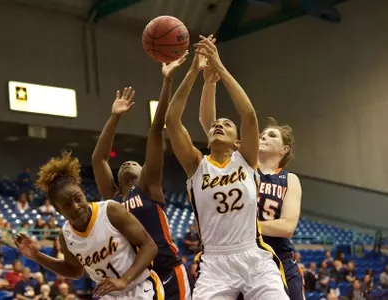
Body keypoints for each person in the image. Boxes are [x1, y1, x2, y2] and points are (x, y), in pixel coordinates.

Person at [164, 34, 289, 299]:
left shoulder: (245, 158)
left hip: (253, 256)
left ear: (238, 142)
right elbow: (172, 121)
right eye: (215, 125)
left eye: (227, 125)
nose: (219, 125)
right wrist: (194, 71)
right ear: (208, 139)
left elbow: (249, 115)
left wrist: (219, 66)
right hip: (214, 263)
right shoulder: (197, 165)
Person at [198, 47, 304, 300]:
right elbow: (208, 123)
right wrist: (210, 84)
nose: (264, 137)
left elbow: (287, 226)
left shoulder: (289, 179)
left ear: (284, 149)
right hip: (241, 255)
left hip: (278, 255)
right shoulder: (242, 164)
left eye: (272, 136)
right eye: (263, 134)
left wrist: (242, 225)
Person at [92, 55, 192, 300]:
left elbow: (156, 131)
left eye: (135, 162)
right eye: (124, 163)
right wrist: (114, 117)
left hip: (167, 272)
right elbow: (99, 159)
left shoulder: (148, 187)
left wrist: (167, 81)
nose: (127, 162)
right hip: (136, 282)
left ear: (143, 172)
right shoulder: (113, 200)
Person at [15, 151, 163, 299]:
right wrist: (37, 256)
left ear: (83, 193)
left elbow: (149, 246)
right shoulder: (66, 236)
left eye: (78, 198)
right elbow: (75, 271)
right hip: (108, 296)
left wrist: (123, 281)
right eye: (67, 205)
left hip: (141, 288)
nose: (75, 206)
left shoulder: (110, 211)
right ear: (59, 211)